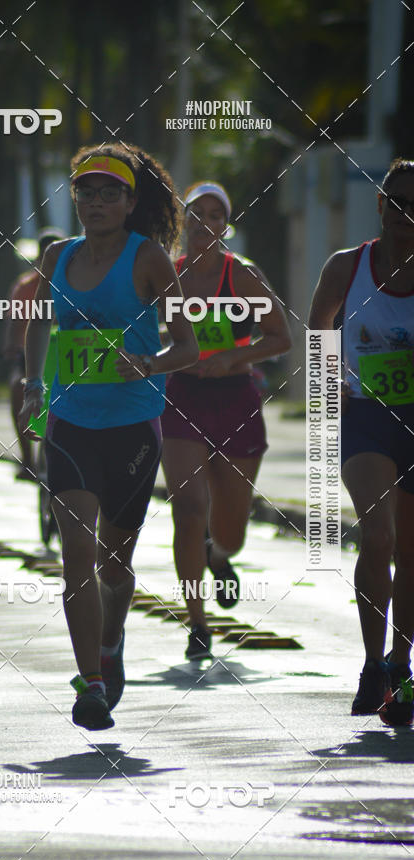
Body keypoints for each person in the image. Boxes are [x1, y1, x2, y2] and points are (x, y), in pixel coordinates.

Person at [19, 143, 198, 730]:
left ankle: (112, 638)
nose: (95, 202)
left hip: (132, 426)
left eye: (109, 193)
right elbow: (42, 327)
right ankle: (90, 682)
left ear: (129, 203)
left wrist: (147, 364)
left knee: (113, 564)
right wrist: (31, 385)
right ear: (74, 199)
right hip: (71, 423)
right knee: (75, 559)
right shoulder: (56, 256)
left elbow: (186, 346)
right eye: (85, 192)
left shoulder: (148, 259)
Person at [160, 182, 292, 660]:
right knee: (188, 511)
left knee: (231, 529)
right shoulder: (166, 275)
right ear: (183, 220)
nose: (206, 224)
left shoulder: (243, 276)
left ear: (225, 225)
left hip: (235, 399)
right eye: (197, 214)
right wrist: (173, 354)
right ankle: (197, 623)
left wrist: (234, 360)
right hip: (182, 399)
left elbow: (281, 338)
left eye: (216, 216)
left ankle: (219, 557)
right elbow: (144, 328)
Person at [308, 157, 414, 727]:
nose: (407, 215)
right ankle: (373, 662)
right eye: (398, 202)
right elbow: (319, 327)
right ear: (381, 205)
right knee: (379, 536)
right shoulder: (348, 268)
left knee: (412, 553)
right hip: (367, 417)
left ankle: (402, 666)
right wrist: (329, 395)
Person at [3, 228, 65, 479]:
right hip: (29, 355)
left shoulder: (74, 283)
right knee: (17, 389)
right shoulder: (26, 285)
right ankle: (27, 458)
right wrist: (10, 345)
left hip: (64, 353)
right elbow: (16, 324)